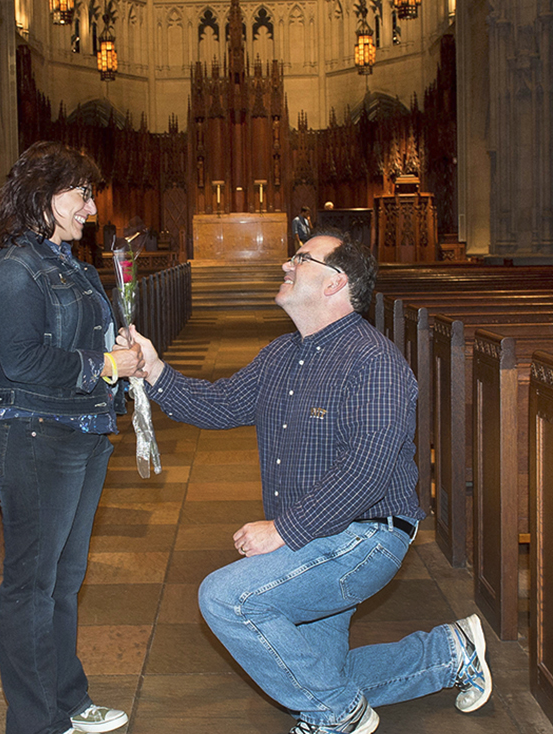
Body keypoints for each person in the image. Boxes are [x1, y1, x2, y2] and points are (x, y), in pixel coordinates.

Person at [120, 229, 491, 734]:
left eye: (300, 258)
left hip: (367, 535)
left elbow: (367, 470)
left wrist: (284, 530)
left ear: (336, 283)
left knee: (225, 598)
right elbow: (220, 404)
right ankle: (451, 653)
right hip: (320, 537)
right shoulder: (281, 354)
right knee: (316, 675)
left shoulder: (374, 362)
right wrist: (154, 368)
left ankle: (340, 714)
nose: (285, 265)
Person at [0, 141, 145, 734]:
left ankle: (68, 701)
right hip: (35, 439)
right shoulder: (14, 269)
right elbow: (22, 362)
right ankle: (34, 722)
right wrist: (104, 365)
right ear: (42, 195)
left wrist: (121, 353)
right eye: (81, 194)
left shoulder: (67, 262)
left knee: (64, 582)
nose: (91, 209)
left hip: (80, 434)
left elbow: (80, 340)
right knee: (32, 586)